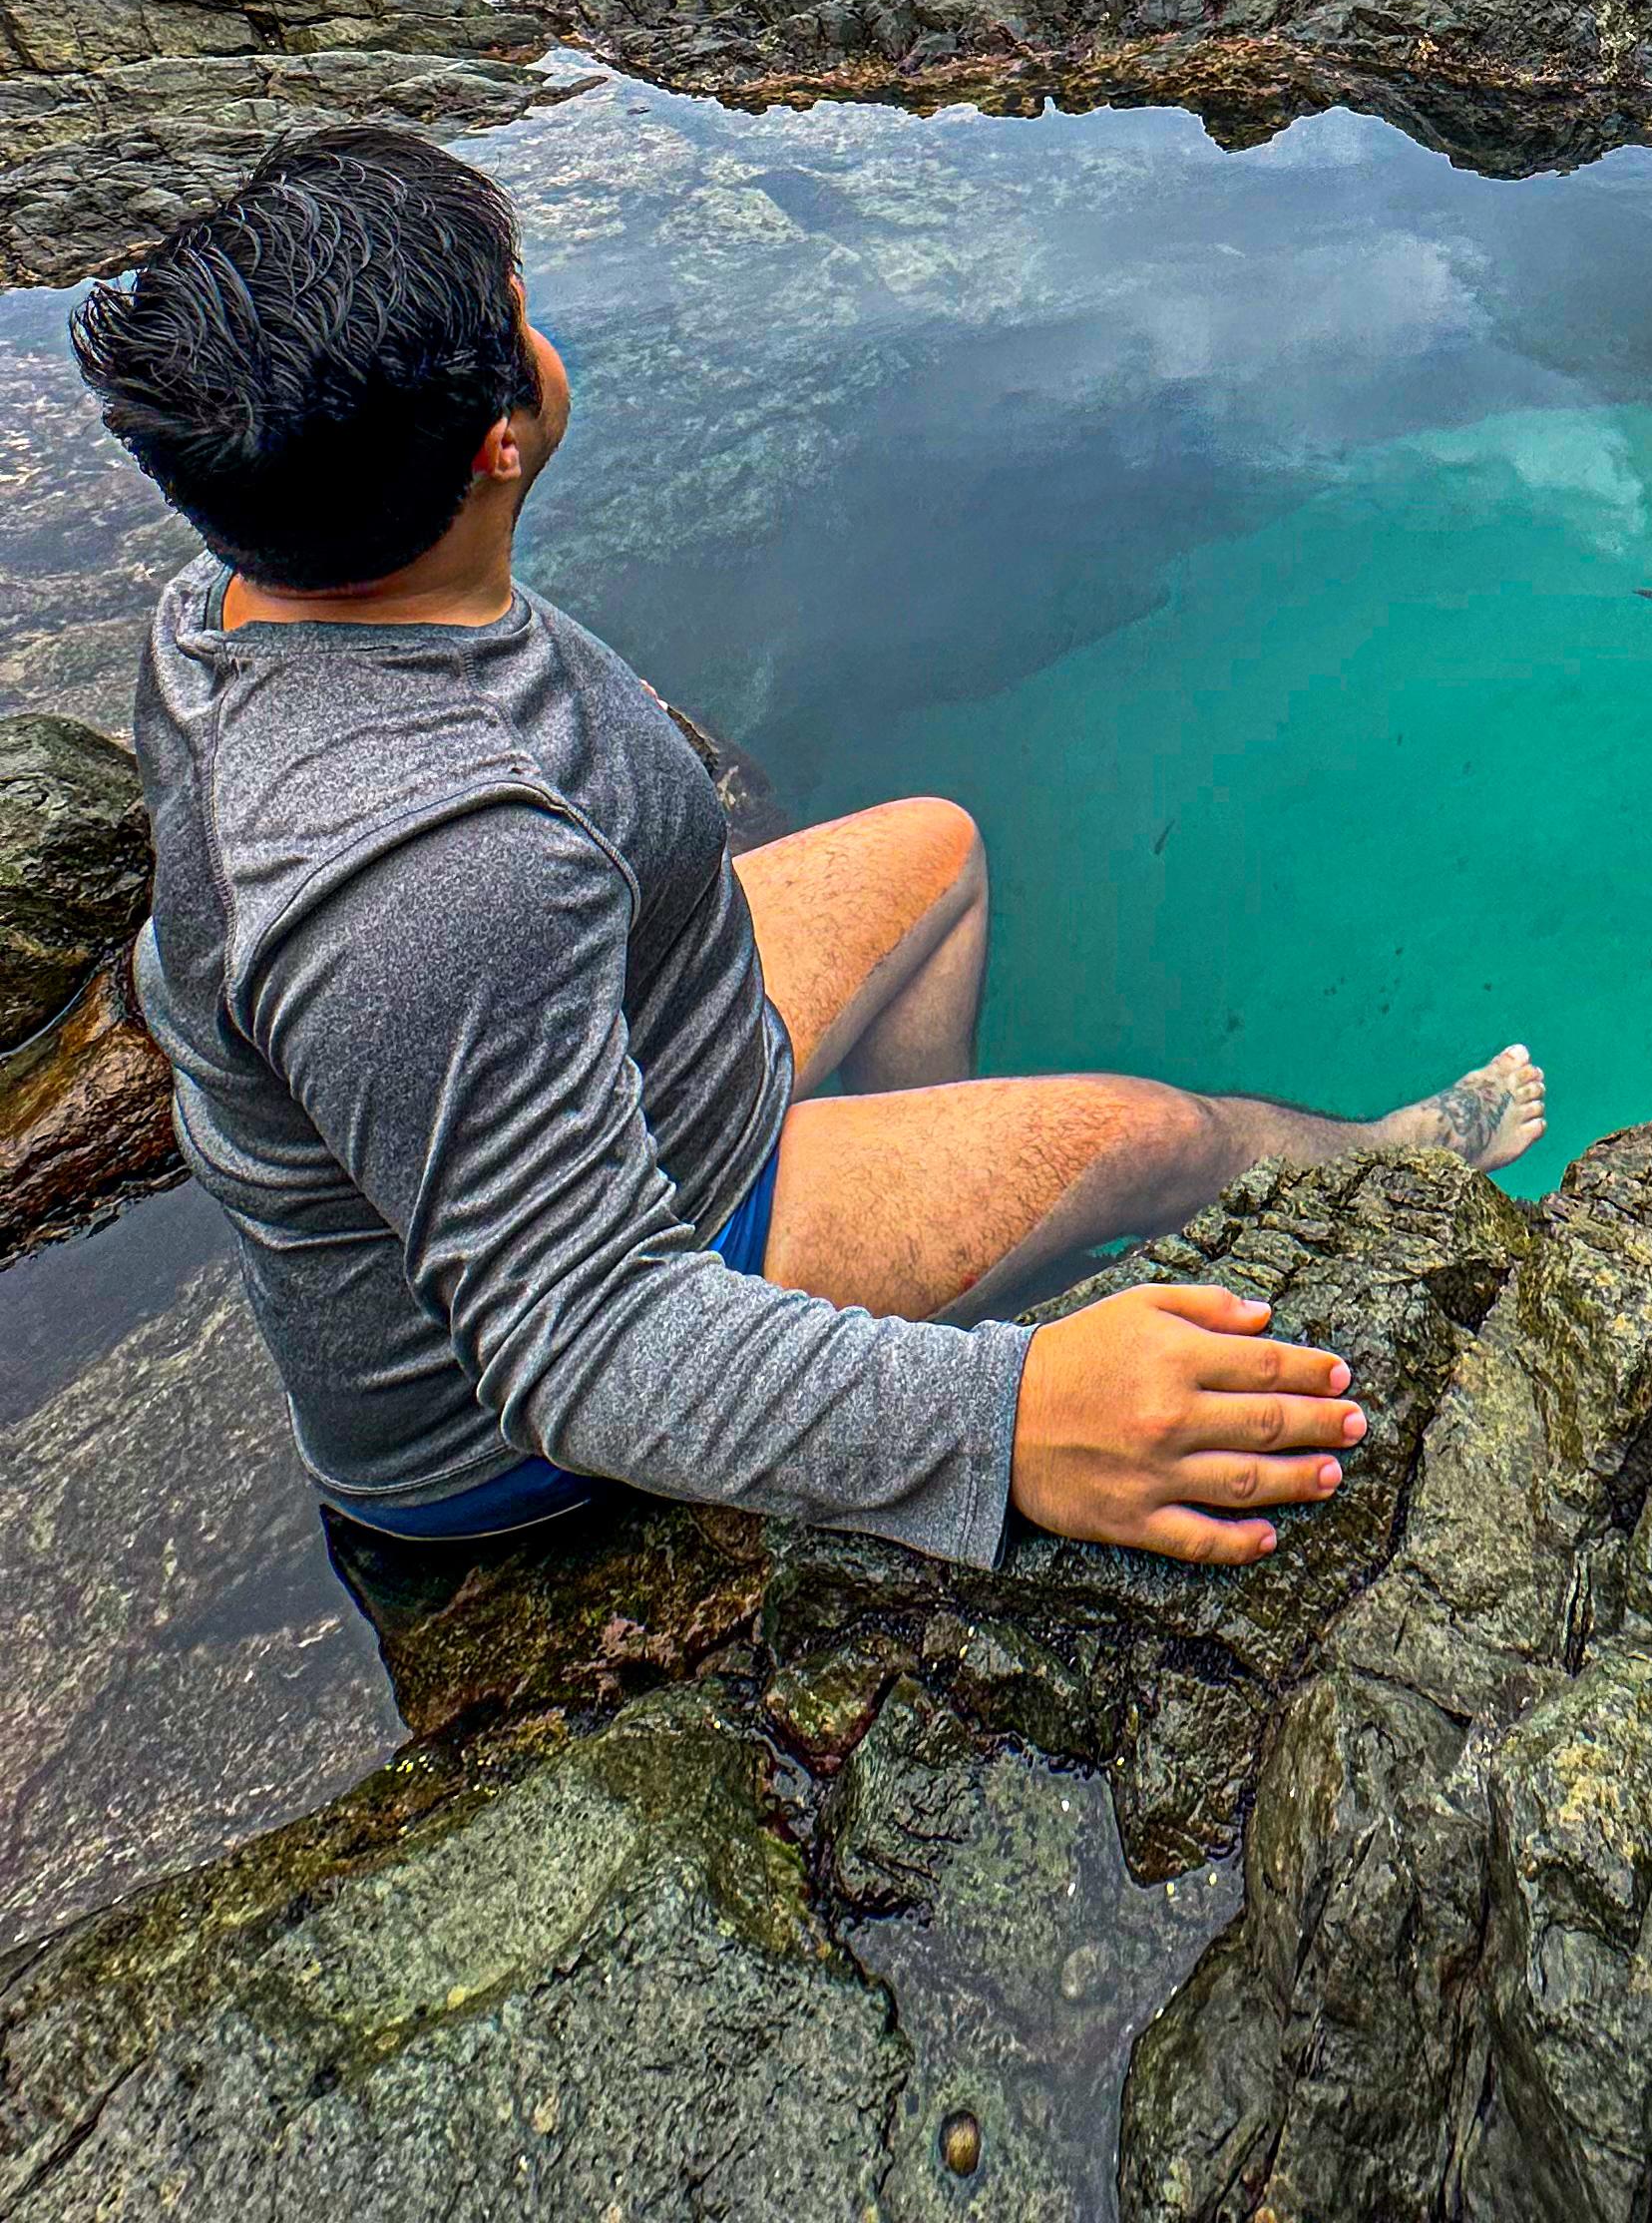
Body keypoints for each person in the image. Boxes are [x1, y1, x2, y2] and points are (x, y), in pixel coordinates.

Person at [71, 129, 1545, 1574]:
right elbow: (587, 1348)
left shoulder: (245, 584)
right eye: (520, 308)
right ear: (500, 436)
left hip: (642, 1067)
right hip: (519, 1396)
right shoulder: (432, 890)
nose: (540, 317)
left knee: (939, 850)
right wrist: (1009, 1426)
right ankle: (1397, 1161)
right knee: (1155, 1135)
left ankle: (943, 1255)